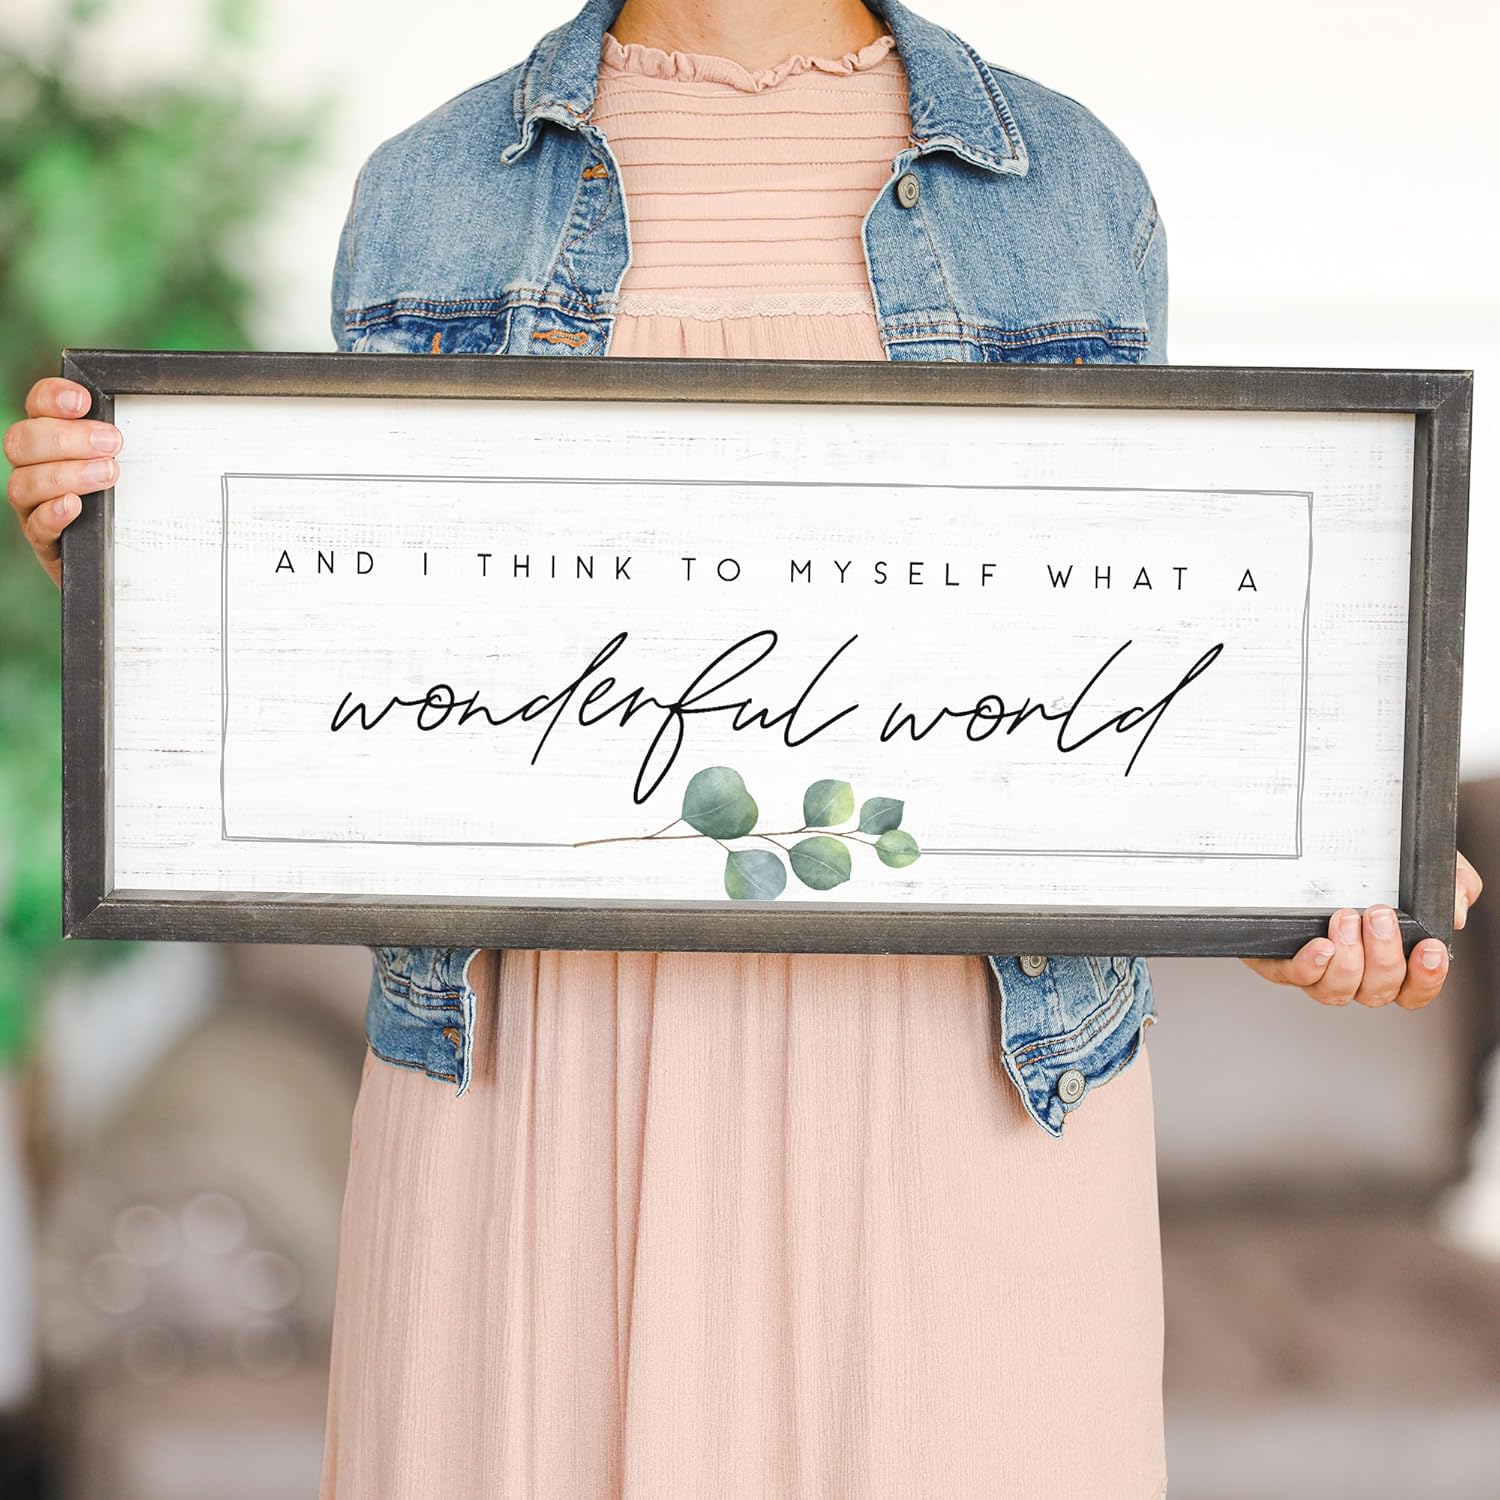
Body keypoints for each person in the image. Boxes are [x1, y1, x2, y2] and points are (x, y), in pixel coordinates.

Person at [5, 0, 1484, 1494]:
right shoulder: (428, 188)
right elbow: (387, 644)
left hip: (969, 1119)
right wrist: (142, 571)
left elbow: (1133, 655)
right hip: (530, 1110)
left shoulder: (1072, 183)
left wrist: (1318, 873)